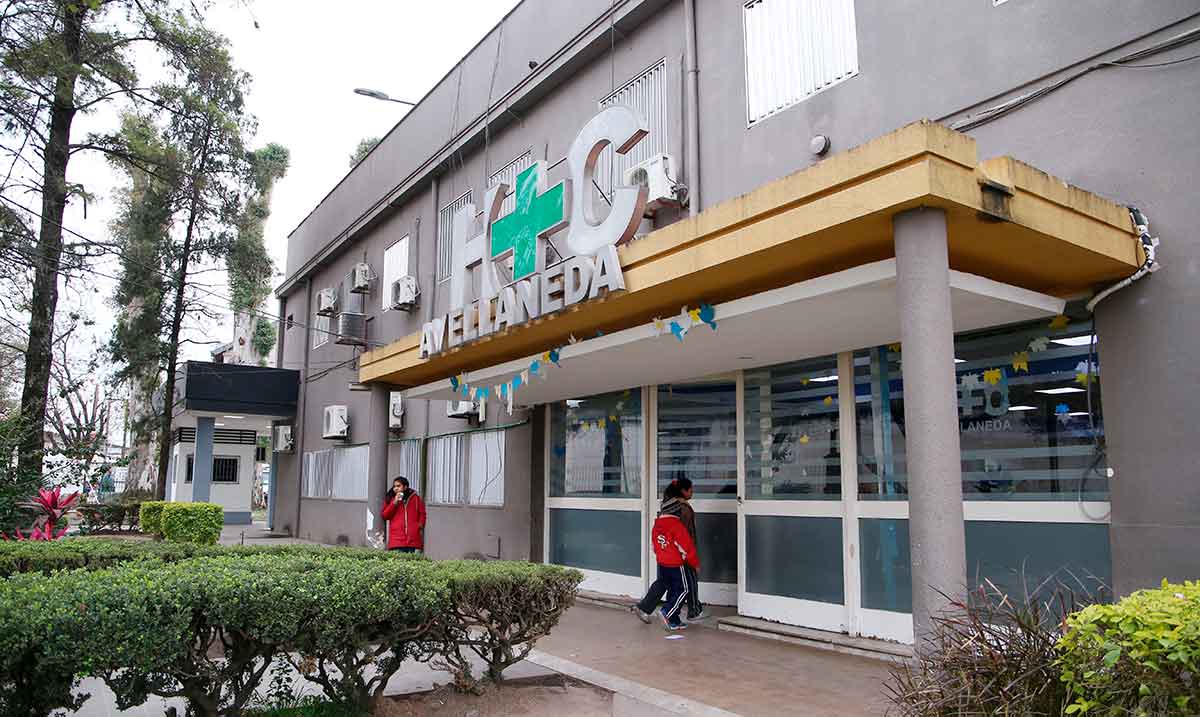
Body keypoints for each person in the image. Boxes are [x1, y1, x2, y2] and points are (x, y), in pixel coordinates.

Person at [631, 482, 700, 631]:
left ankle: (653, 611)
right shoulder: (681, 513)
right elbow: (686, 543)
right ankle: (672, 613)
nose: (692, 493)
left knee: (664, 583)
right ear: (683, 491)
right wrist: (694, 562)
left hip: (663, 559)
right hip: (677, 560)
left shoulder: (661, 517)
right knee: (683, 588)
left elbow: (654, 544)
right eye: (690, 490)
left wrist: (661, 554)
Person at [381, 476, 426, 553]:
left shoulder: (415, 498)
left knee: (411, 560)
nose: (396, 488)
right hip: (397, 540)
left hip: (412, 540)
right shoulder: (391, 498)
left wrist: (419, 525)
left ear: (405, 487)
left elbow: (422, 513)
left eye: (398, 486)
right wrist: (394, 503)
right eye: (394, 486)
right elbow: (385, 515)